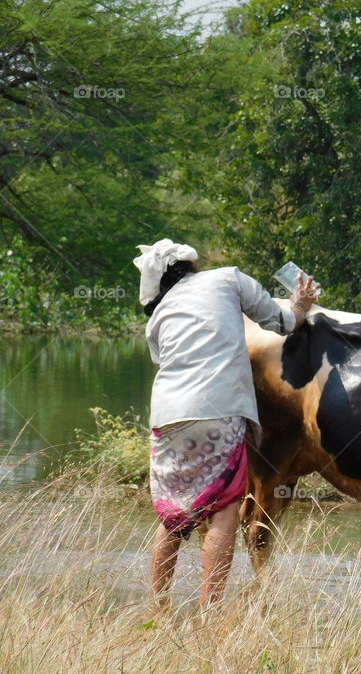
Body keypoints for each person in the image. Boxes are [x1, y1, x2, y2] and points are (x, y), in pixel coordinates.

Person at [133, 239, 319, 609]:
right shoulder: (228, 279)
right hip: (219, 409)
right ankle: (210, 610)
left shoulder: (159, 315)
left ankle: (158, 606)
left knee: (174, 511)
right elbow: (281, 323)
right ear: (192, 266)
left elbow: (169, 359)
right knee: (224, 504)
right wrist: (301, 303)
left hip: (167, 415)